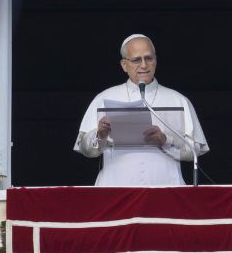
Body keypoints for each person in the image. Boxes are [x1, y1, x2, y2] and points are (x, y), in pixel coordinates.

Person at [74, 34, 209, 186]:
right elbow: (86, 150)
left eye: (149, 58)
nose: (144, 65)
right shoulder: (103, 99)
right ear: (124, 65)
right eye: (136, 60)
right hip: (116, 188)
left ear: (155, 61)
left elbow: (195, 151)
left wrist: (166, 140)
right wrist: (100, 134)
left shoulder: (178, 100)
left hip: (166, 188)